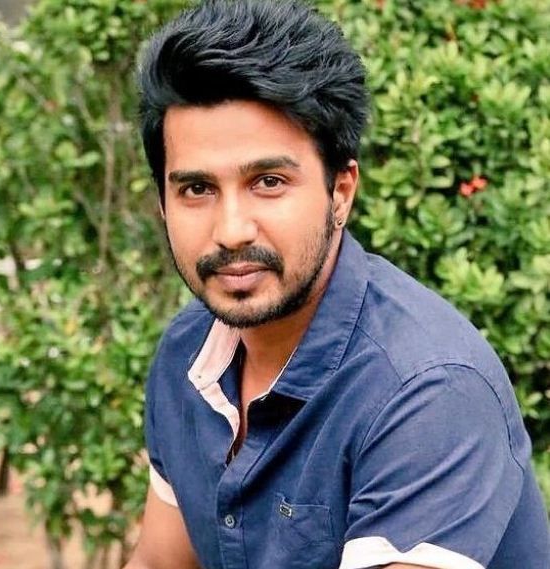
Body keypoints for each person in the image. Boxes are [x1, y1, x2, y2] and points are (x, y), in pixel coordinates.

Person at [124, 1, 550, 568]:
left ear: (340, 192)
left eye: (268, 182)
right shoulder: (188, 352)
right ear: (163, 203)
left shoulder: (427, 389)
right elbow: (159, 562)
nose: (230, 230)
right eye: (197, 190)